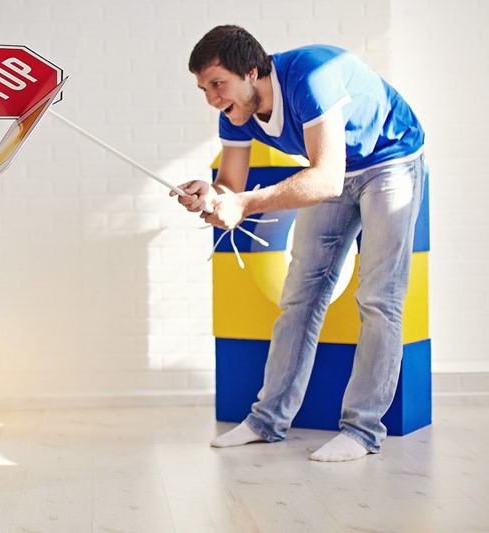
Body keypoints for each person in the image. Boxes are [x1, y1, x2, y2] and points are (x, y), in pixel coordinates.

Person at [174, 25, 425, 461]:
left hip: (390, 159)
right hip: (334, 170)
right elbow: (230, 185)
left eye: (217, 84)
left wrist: (242, 205)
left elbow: (325, 179)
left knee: (379, 297)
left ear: (251, 72)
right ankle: (266, 420)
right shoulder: (235, 112)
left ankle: (362, 430)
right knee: (300, 296)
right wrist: (210, 196)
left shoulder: (310, 77)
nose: (212, 99)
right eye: (204, 89)